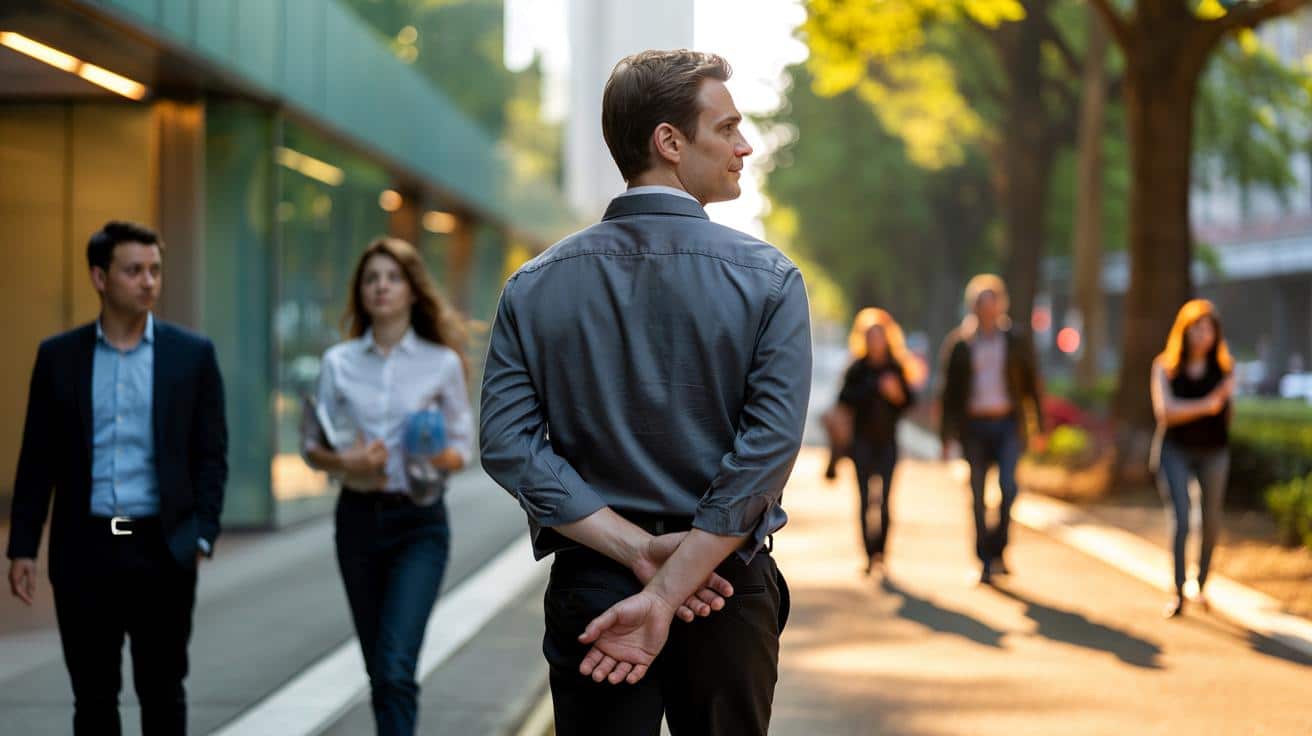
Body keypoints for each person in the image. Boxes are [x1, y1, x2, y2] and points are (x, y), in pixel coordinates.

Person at [480, 50, 810, 735]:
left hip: (594, 585)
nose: (744, 146)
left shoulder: (534, 285)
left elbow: (507, 445)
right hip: (722, 587)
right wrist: (675, 579)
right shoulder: (771, 280)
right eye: (727, 129)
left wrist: (638, 556)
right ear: (669, 141)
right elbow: (767, 452)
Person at [6, 221, 228, 735]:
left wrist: (201, 532)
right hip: (85, 549)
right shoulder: (59, 358)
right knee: (93, 699)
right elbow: (38, 456)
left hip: (161, 548)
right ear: (100, 278)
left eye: (155, 270)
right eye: (134, 271)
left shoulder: (191, 355)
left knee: (163, 692)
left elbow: (211, 454)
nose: (149, 281)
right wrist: (23, 546)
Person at [302, 237, 472, 736]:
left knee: (397, 667)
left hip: (420, 523)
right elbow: (313, 446)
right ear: (361, 292)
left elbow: (462, 449)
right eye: (371, 278)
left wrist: (431, 452)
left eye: (392, 277)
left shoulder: (441, 363)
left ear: (412, 291)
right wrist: (345, 459)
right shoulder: (338, 363)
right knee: (380, 669)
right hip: (357, 521)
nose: (381, 287)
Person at [937, 274, 1043, 584]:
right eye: (982, 302)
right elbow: (949, 393)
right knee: (978, 493)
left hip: (1007, 424)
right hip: (974, 427)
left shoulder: (1014, 340)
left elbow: (1030, 383)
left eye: (993, 301)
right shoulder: (960, 345)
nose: (988, 308)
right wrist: (946, 436)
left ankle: (999, 548)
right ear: (974, 307)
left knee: (1009, 488)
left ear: (1000, 305)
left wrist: (1038, 425)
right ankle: (984, 559)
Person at [1150, 299, 1234, 619]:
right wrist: (1207, 405)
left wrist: (1213, 406)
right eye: (1196, 329)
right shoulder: (1165, 367)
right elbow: (1165, 412)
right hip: (1175, 451)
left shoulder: (1225, 369)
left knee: (1210, 520)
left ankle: (1201, 583)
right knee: (1182, 518)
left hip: (1214, 451)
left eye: (1208, 330)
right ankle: (1178, 590)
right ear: (1183, 332)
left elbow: (1227, 413)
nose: (1202, 336)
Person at [837, 308, 917, 573]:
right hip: (861, 443)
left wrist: (895, 395)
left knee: (884, 500)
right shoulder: (857, 369)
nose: (875, 342)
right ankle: (868, 554)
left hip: (887, 443)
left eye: (879, 337)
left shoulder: (896, 367)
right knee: (863, 499)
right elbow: (844, 401)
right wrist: (872, 388)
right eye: (870, 337)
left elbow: (909, 402)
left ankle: (882, 550)